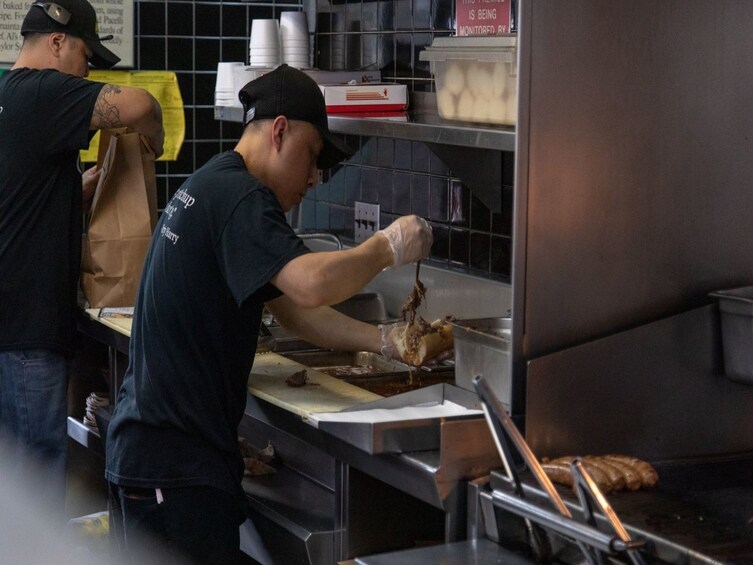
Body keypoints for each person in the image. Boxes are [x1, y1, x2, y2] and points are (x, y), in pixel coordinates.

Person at [105, 64, 432, 564]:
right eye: (312, 157)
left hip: (153, 456)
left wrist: (385, 339)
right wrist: (387, 247)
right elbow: (311, 281)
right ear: (280, 131)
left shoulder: (215, 182)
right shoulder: (242, 197)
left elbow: (297, 311)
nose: (313, 179)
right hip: (174, 470)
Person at [0, 0, 165, 521]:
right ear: (56, 41)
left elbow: (25, 193)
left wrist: (77, 187)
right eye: (85, 54)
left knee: (16, 495)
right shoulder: (43, 91)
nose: (88, 69)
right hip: (28, 337)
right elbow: (139, 105)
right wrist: (153, 140)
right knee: (38, 493)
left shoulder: (10, 95)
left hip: (10, 331)